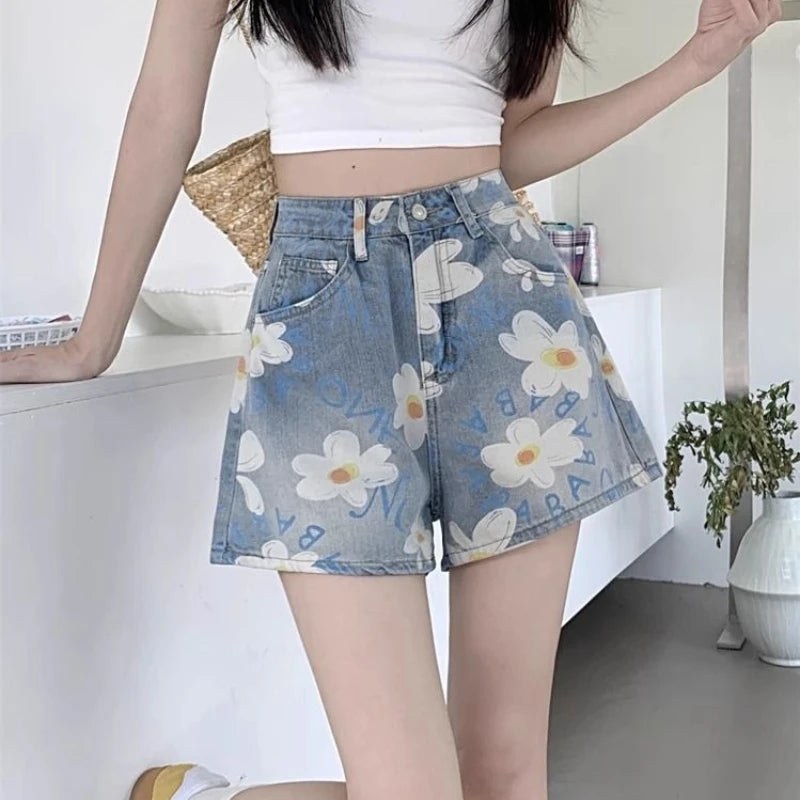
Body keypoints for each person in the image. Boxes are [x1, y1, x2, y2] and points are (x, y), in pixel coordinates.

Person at [0, 1, 781, 798]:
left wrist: (694, 65)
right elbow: (164, 111)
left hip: (508, 316)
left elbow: (512, 145)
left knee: (503, 776)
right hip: (326, 313)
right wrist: (95, 338)